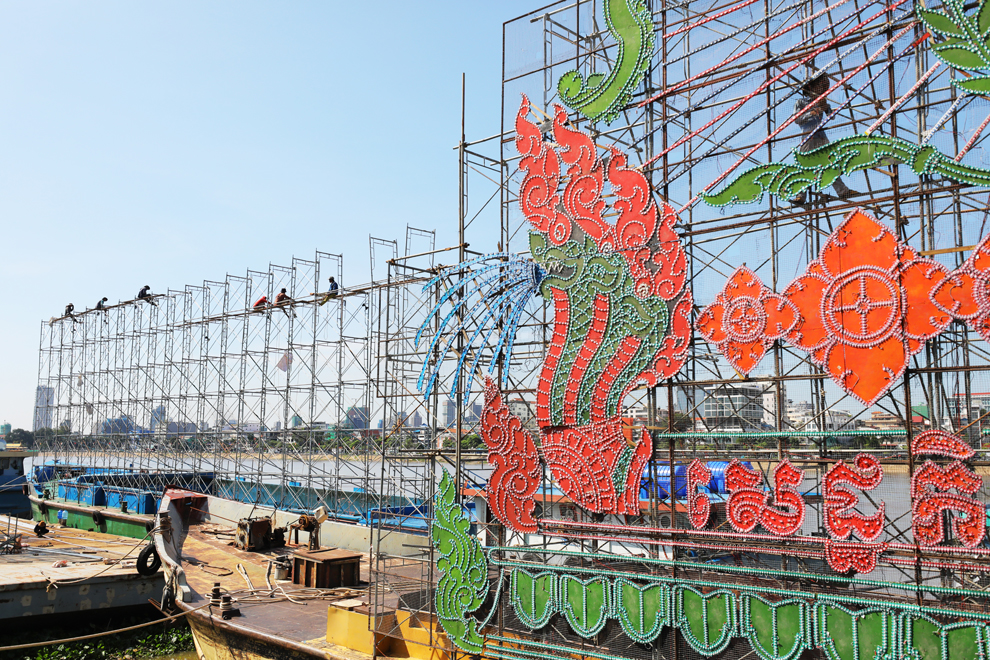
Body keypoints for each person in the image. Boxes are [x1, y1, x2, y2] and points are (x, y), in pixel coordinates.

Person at [791, 73, 857, 205]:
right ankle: (800, 196)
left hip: (821, 137)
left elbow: (831, 116)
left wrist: (826, 109)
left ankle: (842, 190)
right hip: (808, 136)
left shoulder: (821, 101)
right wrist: (813, 112)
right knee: (805, 165)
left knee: (829, 163)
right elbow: (797, 119)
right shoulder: (801, 102)